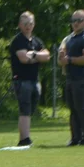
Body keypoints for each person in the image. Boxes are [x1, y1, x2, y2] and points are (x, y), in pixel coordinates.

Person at [7, 11, 50, 148]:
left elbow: (47, 56)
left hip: (34, 80)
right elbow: (24, 58)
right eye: (25, 24)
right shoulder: (18, 40)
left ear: (34, 24)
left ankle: (25, 136)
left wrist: (35, 54)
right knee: (25, 109)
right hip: (22, 80)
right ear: (20, 25)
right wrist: (37, 58)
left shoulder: (36, 41)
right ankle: (24, 139)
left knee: (30, 110)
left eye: (30, 23)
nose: (28, 26)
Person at [58, 10, 84, 146]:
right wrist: (62, 58)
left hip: (81, 78)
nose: (75, 23)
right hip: (70, 77)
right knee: (73, 109)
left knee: (81, 108)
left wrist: (69, 60)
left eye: (79, 20)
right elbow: (61, 60)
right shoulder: (69, 38)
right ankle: (75, 138)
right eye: (73, 20)